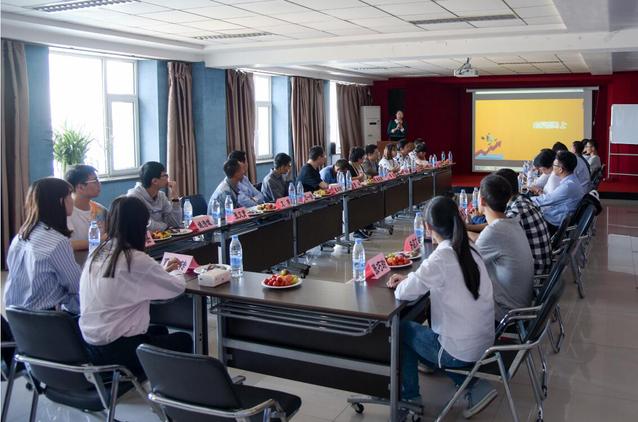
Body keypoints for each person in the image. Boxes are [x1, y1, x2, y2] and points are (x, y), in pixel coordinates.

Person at [387, 196, 496, 418]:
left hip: (460, 350)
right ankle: (469, 380)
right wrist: (416, 278)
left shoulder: (442, 257)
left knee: (401, 330)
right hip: (485, 343)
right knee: (425, 328)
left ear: (428, 227)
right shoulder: (469, 247)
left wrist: (409, 279)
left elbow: (402, 292)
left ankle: (410, 398)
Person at [80, 196, 191, 376]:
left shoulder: (98, 252)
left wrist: (161, 271)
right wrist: (178, 268)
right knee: (184, 340)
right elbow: (177, 287)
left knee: (160, 329)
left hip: (91, 347)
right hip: (119, 351)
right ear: (139, 226)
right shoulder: (134, 258)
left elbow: (128, 281)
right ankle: (170, 388)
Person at [4, 178, 81, 313]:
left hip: (16, 316)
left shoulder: (21, 235)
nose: (72, 200)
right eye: (69, 195)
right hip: (46, 317)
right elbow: (77, 285)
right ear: (60, 201)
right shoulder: (57, 241)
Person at [473, 174, 534, 321]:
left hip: (505, 312)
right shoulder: (511, 223)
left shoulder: (494, 231)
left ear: (482, 200)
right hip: (521, 303)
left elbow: (467, 264)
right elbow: (484, 243)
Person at [495, 169, 552, 276]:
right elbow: (498, 224)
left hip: (533, 274)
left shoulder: (516, 212)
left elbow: (494, 235)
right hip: (541, 264)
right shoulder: (522, 201)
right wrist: (469, 227)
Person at [532, 151, 584, 233]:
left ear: (560, 169)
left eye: (554, 165)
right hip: (555, 218)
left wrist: (525, 200)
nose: (552, 167)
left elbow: (546, 200)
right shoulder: (571, 180)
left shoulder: (568, 186)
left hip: (553, 224)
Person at [127, 161, 181, 232]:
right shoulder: (134, 197)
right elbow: (146, 224)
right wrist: (165, 226)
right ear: (155, 181)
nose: (167, 178)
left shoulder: (161, 196)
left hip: (163, 236)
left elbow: (175, 223)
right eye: (165, 175)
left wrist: (175, 197)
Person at [64, 165, 108, 251]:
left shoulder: (101, 210)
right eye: (95, 181)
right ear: (80, 187)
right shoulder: (66, 213)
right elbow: (65, 245)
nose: (99, 184)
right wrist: (98, 241)